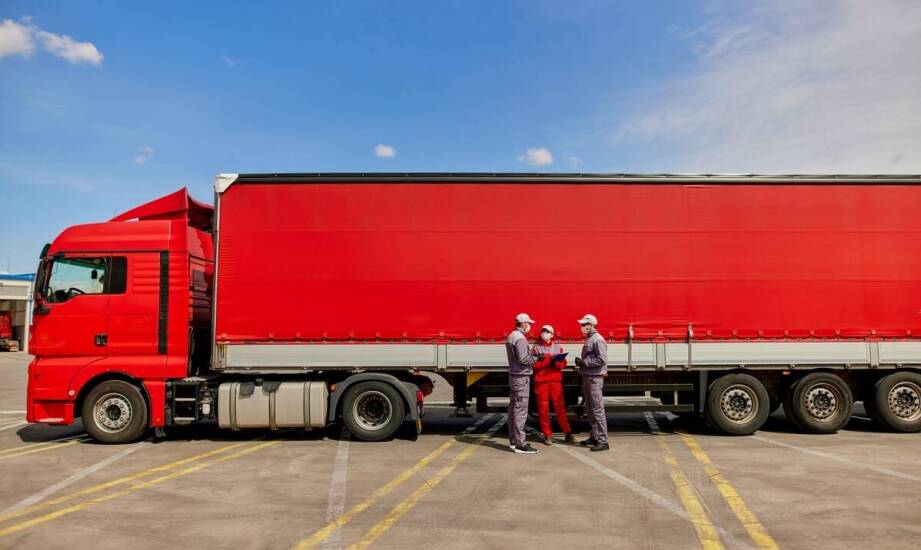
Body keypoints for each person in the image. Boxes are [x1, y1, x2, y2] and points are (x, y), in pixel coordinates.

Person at [532, 325, 575, 445]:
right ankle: (548, 435)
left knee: (560, 409)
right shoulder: (536, 348)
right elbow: (533, 365)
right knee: (543, 410)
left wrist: (555, 363)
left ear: (552, 334)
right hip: (541, 383)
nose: (545, 333)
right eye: (543, 331)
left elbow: (562, 365)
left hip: (555, 383)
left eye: (548, 332)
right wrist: (547, 361)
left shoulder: (558, 347)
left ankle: (568, 433)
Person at [574, 314, 609, 451]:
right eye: (582, 325)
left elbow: (602, 359)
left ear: (592, 325)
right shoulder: (590, 339)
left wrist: (584, 362)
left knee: (597, 409)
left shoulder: (598, 340)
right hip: (588, 377)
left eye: (584, 325)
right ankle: (594, 436)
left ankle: (603, 441)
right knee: (590, 409)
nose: (582, 327)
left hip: (595, 378)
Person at [505, 312, 539, 454]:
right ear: (523, 324)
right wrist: (537, 358)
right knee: (521, 410)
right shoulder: (520, 338)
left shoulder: (511, 336)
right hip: (521, 376)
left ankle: (514, 440)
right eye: (528, 323)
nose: (529, 326)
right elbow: (523, 359)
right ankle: (520, 443)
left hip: (514, 376)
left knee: (514, 409)